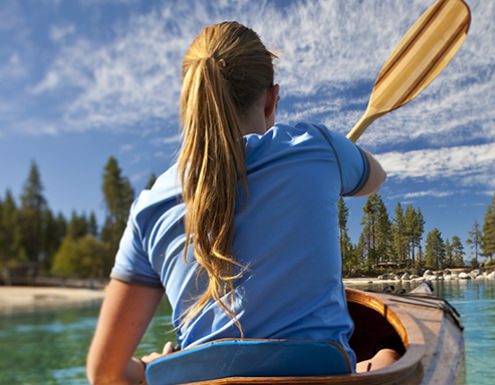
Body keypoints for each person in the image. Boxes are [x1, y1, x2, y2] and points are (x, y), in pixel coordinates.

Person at [87, 21, 393, 385]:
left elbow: (104, 372)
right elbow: (375, 178)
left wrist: (153, 369)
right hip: (319, 373)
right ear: (271, 98)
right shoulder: (315, 146)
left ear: (190, 105)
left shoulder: (149, 208)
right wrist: (340, 154)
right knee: (388, 353)